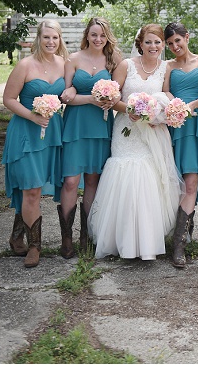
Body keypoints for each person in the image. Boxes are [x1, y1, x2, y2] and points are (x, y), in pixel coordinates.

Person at [88, 24, 184, 261]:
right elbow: (113, 97)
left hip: (151, 132)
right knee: (125, 173)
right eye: (149, 42)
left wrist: (156, 114)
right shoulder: (126, 65)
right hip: (126, 129)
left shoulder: (166, 68)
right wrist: (130, 109)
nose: (153, 47)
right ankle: (118, 239)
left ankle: (146, 241)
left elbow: (166, 97)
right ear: (140, 43)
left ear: (163, 45)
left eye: (158, 42)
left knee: (148, 178)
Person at [1, 19, 67, 267]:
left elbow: (68, 95)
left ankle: (17, 235)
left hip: (52, 133)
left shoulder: (64, 65)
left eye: (55, 38)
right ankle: (35, 246)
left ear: (60, 40)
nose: (51, 42)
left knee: (34, 189)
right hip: (26, 133)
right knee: (31, 189)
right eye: (46, 37)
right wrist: (32, 115)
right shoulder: (25, 66)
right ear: (38, 39)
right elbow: (8, 99)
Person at [57, 17, 121, 257]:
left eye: (102, 35)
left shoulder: (113, 61)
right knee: (71, 181)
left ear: (107, 38)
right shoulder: (72, 59)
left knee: (93, 181)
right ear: (87, 35)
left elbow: (118, 94)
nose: (98, 39)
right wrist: (88, 97)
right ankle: (66, 237)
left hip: (101, 125)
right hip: (76, 124)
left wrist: (108, 99)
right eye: (94, 35)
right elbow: (66, 94)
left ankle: (87, 234)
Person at [162, 22, 198, 268]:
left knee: (191, 182)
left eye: (178, 41)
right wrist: (175, 104)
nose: (174, 47)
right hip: (175, 124)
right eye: (170, 44)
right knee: (176, 181)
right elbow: (165, 92)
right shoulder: (168, 66)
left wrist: (190, 106)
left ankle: (179, 244)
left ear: (187, 37)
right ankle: (184, 226)